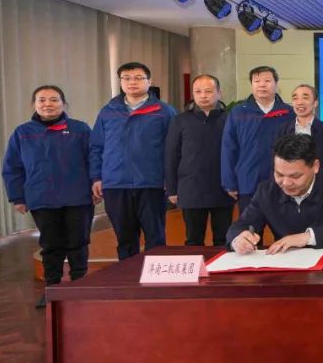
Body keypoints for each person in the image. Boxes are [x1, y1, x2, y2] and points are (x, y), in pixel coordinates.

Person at [3, 85, 96, 307]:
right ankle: (52, 289)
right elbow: (13, 167)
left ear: (64, 103)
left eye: (54, 100)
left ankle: (79, 286)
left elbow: (94, 159)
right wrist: (17, 197)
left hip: (78, 197)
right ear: (34, 104)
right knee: (51, 244)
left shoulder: (80, 129)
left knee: (78, 242)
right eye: (42, 100)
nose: (48, 104)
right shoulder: (22, 133)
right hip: (41, 198)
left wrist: (96, 185)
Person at [89, 62, 177, 259]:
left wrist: (170, 179)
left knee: (155, 237)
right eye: (126, 78)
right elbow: (96, 146)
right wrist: (96, 177)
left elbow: (173, 149)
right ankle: (128, 276)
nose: (132, 82)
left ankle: (155, 276)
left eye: (138, 78)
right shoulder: (108, 111)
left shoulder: (164, 111)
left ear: (149, 81)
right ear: (120, 82)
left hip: (152, 183)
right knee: (125, 240)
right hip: (116, 184)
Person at [227, 134, 323, 253]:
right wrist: (239, 239)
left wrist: (307, 237)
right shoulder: (266, 191)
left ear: (315, 166)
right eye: (279, 174)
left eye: (295, 176)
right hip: (286, 266)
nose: (286, 183)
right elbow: (241, 225)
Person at [164, 74, 234, 246]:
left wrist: (234, 184)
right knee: (193, 240)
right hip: (191, 188)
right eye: (198, 91)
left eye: (208, 91)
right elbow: (171, 155)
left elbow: (236, 153)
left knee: (223, 239)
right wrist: (171, 189)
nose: (203, 95)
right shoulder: (180, 120)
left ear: (219, 93)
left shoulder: (230, 119)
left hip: (223, 188)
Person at [221, 66, 293, 214]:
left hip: (282, 184)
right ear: (251, 84)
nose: (262, 85)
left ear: (276, 84)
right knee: (250, 227)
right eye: (257, 81)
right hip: (248, 181)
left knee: (283, 227)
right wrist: (229, 182)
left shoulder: (288, 113)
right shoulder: (238, 112)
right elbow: (229, 148)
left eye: (267, 81)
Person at [277, 83, 323, 172]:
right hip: (290, 179)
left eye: (305, 98)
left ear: (315, 103)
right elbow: (276, 161)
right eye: (295, 98)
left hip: (320, 179)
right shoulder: (283, 130)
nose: (299, 102)